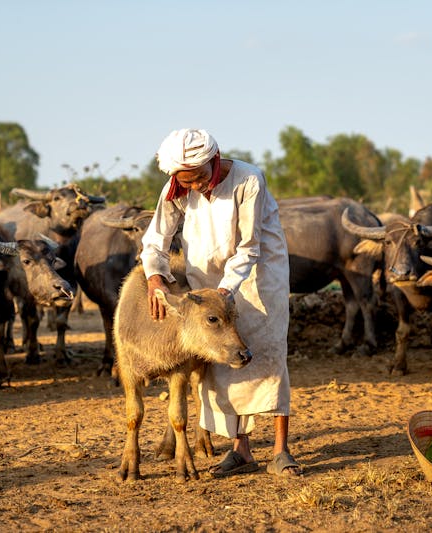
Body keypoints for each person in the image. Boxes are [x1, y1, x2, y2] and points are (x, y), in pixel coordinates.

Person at [140, 128, 301, 477]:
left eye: (199, 177)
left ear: (215, 160)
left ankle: (280, 451)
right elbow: (156, 238)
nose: (195, 185)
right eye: (187, 180)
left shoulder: (249, 180)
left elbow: (248, 247)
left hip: (258, 277)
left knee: (268, 356)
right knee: (224, 362)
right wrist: (154, 275)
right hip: (207, 285)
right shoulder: (177, 187)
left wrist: (227, 290)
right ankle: (241, 451)